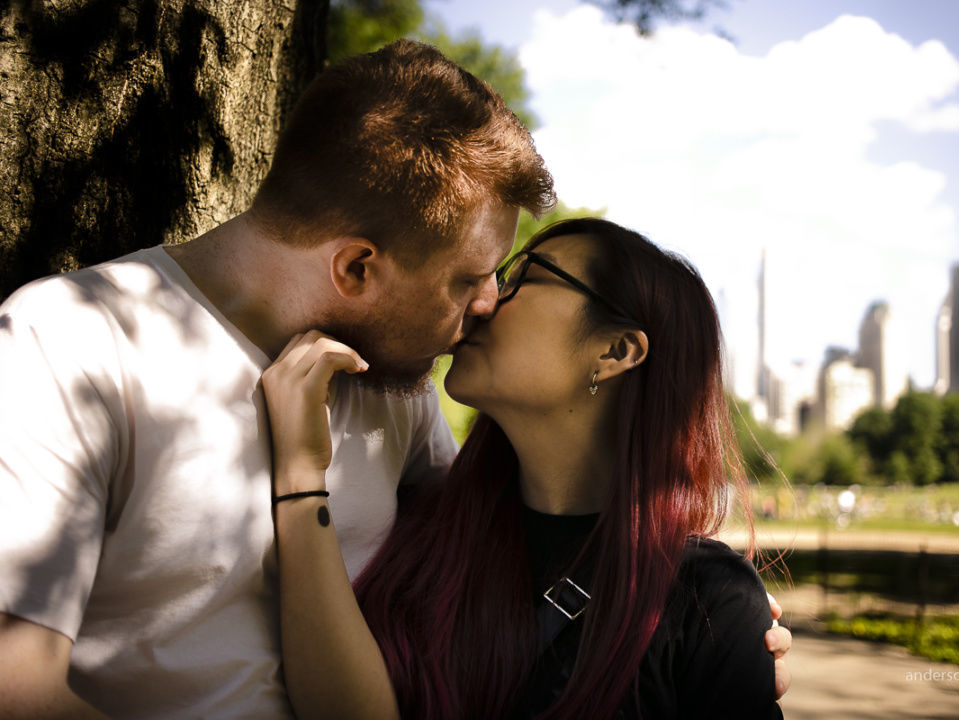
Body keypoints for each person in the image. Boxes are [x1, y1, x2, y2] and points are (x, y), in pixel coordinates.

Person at [0, 40, 789, 718]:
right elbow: (15, 689)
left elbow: (516, 545)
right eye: (470, 280)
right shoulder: (70, 345)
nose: (485, 306)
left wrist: (693, 623)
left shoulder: (398, 387)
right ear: (357, 267)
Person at [263, 218, 785, 718]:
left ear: (616, 350)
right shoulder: (425, 534)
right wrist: (301, 477)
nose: (483, 300)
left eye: (525, 277)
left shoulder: (705, 601)